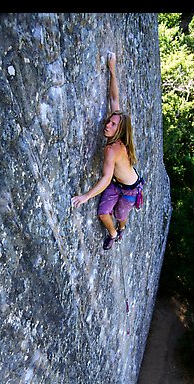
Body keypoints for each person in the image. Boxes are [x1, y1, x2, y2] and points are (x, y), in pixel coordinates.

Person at [71, 52, 144, 250]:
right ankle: (112, 233)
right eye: (109, 121)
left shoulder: (113, 149)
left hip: (131, 188)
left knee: (121, 215)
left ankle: (121, 228)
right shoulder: (117, 134)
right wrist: (112, 70)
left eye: (112, 124)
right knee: (103, 213)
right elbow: (114, 98)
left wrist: (86, 196)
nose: (107, 125)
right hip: (118, 183)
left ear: (118, 130)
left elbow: (105, 178)